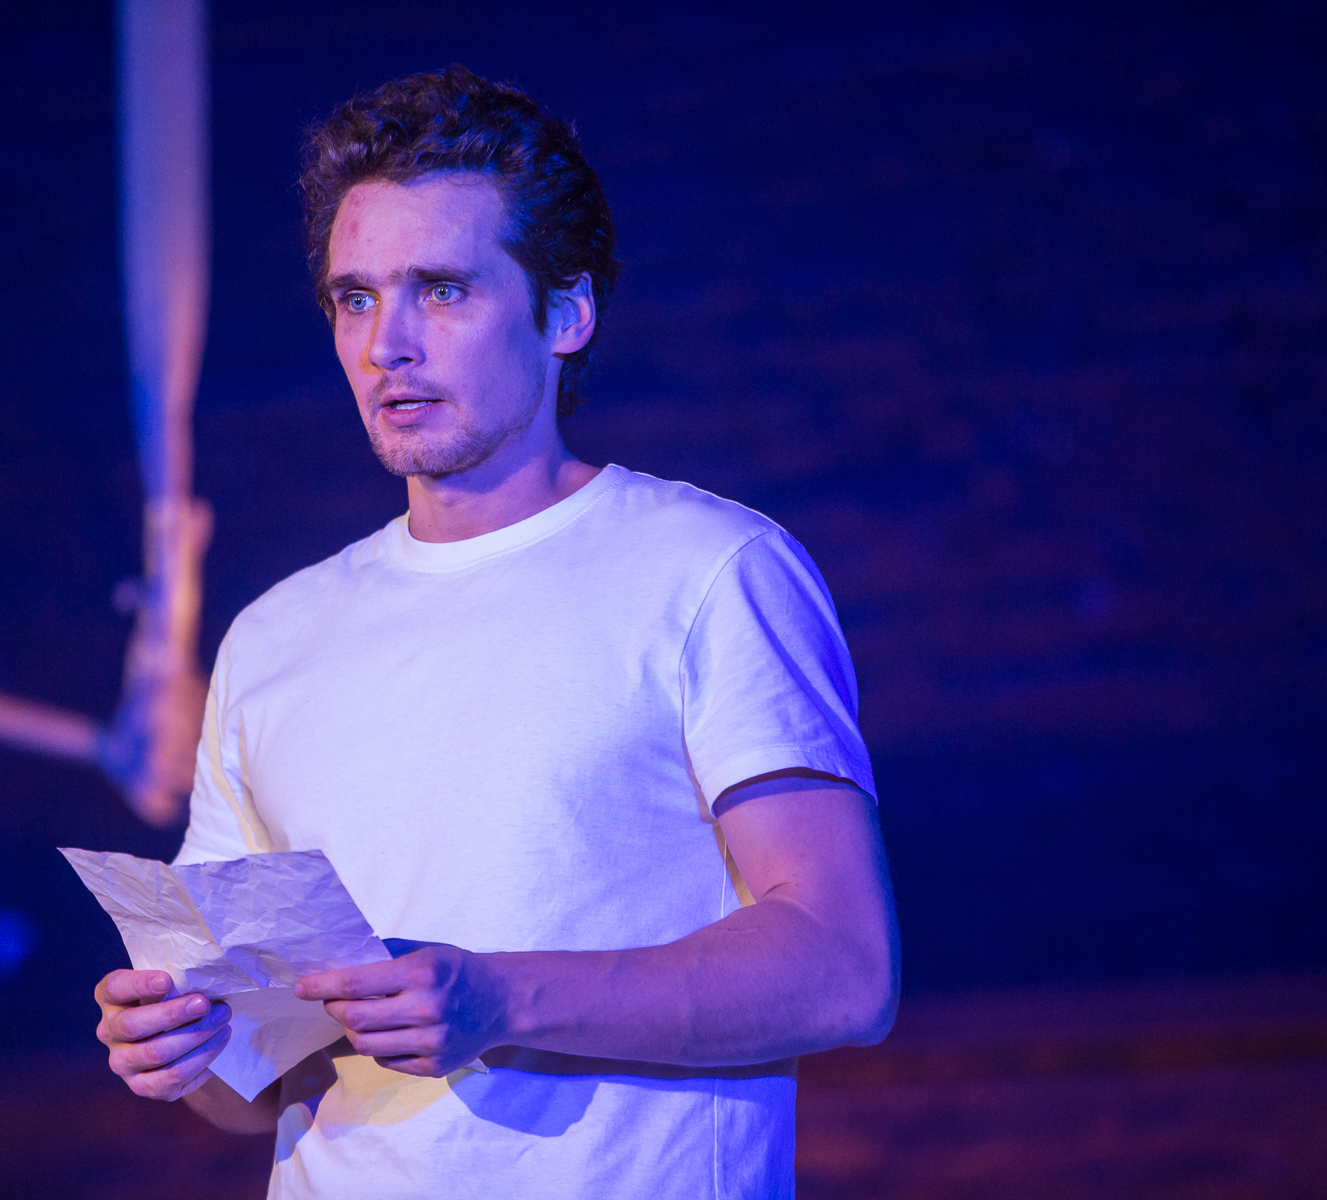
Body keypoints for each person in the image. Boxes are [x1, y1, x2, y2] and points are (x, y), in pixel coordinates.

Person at [93, 65, 898, 1198]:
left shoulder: (708, 571)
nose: (387, 345)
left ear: (566, 313)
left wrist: (500, 997)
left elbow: (844, 969)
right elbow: (253, 1084)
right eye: (355, 299)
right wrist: (182, 1045)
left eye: (442, 291)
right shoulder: (275, 638)